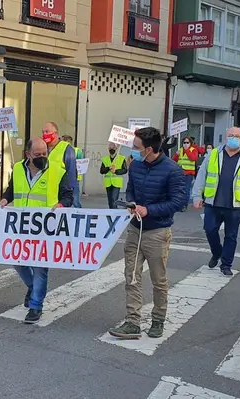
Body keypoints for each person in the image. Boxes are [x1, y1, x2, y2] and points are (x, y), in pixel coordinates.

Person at [107, 127, 187, 340]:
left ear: (149, 149)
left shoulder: (173, 170)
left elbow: (179, 201)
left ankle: (158, 319)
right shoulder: (136, 167)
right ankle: (132, 321)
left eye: (136, 147)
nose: (133, 150)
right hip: (135, 228)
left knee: (158, 279)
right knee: (131, 276)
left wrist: (149, 210)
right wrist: (132, 203)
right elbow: (131, 189)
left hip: (157, 232)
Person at [0, 137, 73, 324]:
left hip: (44, 228)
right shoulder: (17, 169)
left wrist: (61, 204)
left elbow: (68, 195)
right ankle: (32, 287)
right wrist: (5, 200)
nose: (42, 157)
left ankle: (35, 306)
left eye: (45, 153)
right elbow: (11, 189)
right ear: (27, 155)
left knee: (40, 269)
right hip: (21, 226)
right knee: (17, 261)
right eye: (37, 154)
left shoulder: (57, 170)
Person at [192, 127, 240, 275]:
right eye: (231, 135)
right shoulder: (213, 154)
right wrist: (197, 196)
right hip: (213, 202)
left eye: (237, 136)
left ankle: (226, 264)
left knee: (231, 236)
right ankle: (217, 252)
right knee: (209, 229)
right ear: (226, 137)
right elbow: (201, 176)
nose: (233, 138)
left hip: (235, 204)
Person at [42, 122, 78, 207]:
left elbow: (71, 173)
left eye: (47, 132)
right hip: (46, 191)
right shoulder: (42, 148)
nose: (44, 134)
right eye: (43, 132)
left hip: (61, 192)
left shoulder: (66, 149)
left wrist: (67, 197)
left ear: (56, 133)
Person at [173, 136, 199, 211]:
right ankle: (179, 204)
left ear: (190, 143)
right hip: (180, 172)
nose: (186, 144)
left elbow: (193, 158)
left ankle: (184, 205)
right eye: (184, 143)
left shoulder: (193, 150)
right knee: (179, 189)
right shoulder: (180, 150)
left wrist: (187, 150)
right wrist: (176, 154)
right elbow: (174, 160)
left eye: (187, 142)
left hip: (189, 173)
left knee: (186, 190)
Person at [99, 142, 127, 208]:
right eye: (110, 147)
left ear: (116, 148)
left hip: (117, 183)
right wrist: (108, 168)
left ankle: (114, 214)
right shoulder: (105, 159)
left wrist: (116, 171)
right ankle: (111, 212)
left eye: (113, 147)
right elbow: (101, 171)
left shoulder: (121, 158)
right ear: (108, 148)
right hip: (108, 183)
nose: (111, 149)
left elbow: (125, 170)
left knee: (114, 199)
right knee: (110, 200)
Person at [62, 134, 84, 207]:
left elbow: (81, 164)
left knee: (75, 199)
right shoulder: (60, 151)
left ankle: (79, 213)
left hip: (74, 178)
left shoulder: (77, 151)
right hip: (63, 177)